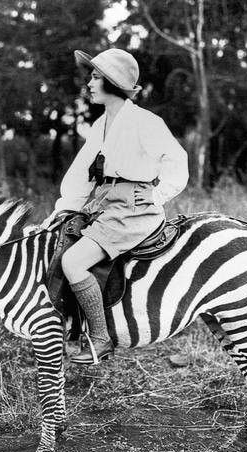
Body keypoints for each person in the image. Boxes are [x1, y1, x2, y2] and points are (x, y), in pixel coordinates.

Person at [42, 48, 189, 365]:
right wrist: (62, 210)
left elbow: (177, 160)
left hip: (133, 210)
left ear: (112, 83)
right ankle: (64, 328)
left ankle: (100, 339)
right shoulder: (100, 125)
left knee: (73, 262)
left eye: (96, 77)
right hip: (104, 204)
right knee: (57, 241)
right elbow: (82, 174)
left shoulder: (145, 122)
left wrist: (157, 195)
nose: (89, 84)